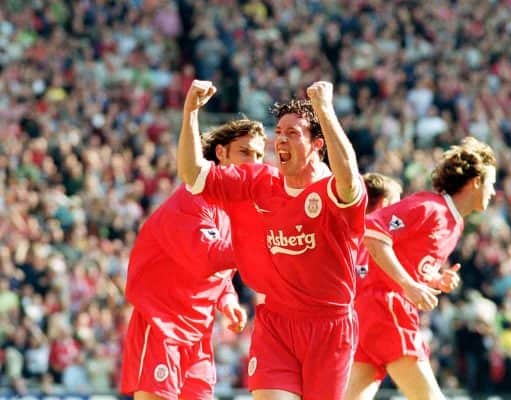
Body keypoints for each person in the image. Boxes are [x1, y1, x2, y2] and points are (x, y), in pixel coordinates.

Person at [178, 80, 366, 400]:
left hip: (330, 328)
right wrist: (190, 112)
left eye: (293, 133)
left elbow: (348, 178)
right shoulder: (258, 181)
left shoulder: (332, 191)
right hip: (275, 323)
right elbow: (194, 175)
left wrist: (324, 109)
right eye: (278, 132)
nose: (281, 139)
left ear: (317, 144)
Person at [120, 118, 266, 400]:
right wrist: (263, 244)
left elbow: (219, 275)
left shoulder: (234, 208)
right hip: (162, 324)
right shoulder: (193, 199)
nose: (254, 162)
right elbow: (207, 258)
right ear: (221, 154)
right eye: (245, 152)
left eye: (259, 155)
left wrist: (228, 301)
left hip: (198, 334)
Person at [345, 137, 497, 400]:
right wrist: (409, 285)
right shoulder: (430, 207)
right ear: (477, 181)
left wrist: (435, 279)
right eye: (492, 184)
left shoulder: (455, 223)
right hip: (386, 307)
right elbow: (372, 233)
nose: (494, 192)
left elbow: (409, 260)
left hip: (372, 311)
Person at [355, 173, 403, 283]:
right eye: (396, 205)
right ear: (384, 204)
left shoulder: (348, 227)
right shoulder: (369, 239)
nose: (399, 212)